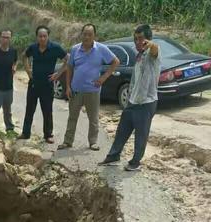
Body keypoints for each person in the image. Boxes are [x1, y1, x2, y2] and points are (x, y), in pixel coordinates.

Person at [100, 24, 161, 171]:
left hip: (146, 102)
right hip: (133, 101)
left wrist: (151, 45)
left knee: (141, 135)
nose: (138, 42)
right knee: (122, 129)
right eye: (135, 39)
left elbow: (155, 50)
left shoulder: (153, 55)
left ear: (148, 39)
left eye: (141, 39)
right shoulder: (139, 56)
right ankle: (113, 156)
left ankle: (135, 162)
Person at [58, 24, 119, 152]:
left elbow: (115, 62)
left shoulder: (101, 49)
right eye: (84, 34)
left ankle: (93, 142)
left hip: (93, 90)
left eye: (89, 34)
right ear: (81, 34)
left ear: (94, 36)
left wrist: (103, 78)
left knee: (93, 118)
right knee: (72, 117)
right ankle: (67, 142)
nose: (86, 37)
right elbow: (69, 68)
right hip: (76, 90)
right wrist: (68, 86)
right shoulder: (75, 49)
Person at [18, 26, 68, 143]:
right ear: (37, 37)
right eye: (40, 36)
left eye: (44, 36)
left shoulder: (55, 48)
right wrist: (28, 70)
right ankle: (25, 133)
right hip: (34, 84)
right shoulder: (33, 47)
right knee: (29, 109)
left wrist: (58, 73)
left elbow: (68, 59)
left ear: (48, 36)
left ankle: (48, 135)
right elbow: (24, 56)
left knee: (47, 110)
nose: (42, 38)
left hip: (47, 84)